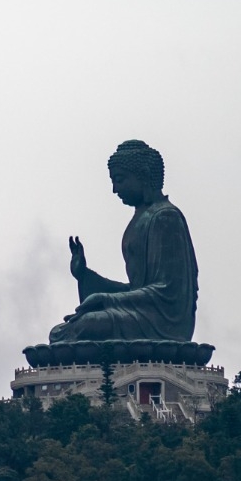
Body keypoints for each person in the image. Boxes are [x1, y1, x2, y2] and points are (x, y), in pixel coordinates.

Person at [48, 139, 198, 344]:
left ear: (144, 175)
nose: (114, 189)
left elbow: (167, 292)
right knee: (61, 331)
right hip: (141, 313)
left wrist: (108, 299)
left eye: (119, 180)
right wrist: (85, 276)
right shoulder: (141, 218)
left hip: (163, 323)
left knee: (87, 325)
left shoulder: (165, 217)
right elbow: (135, 290)